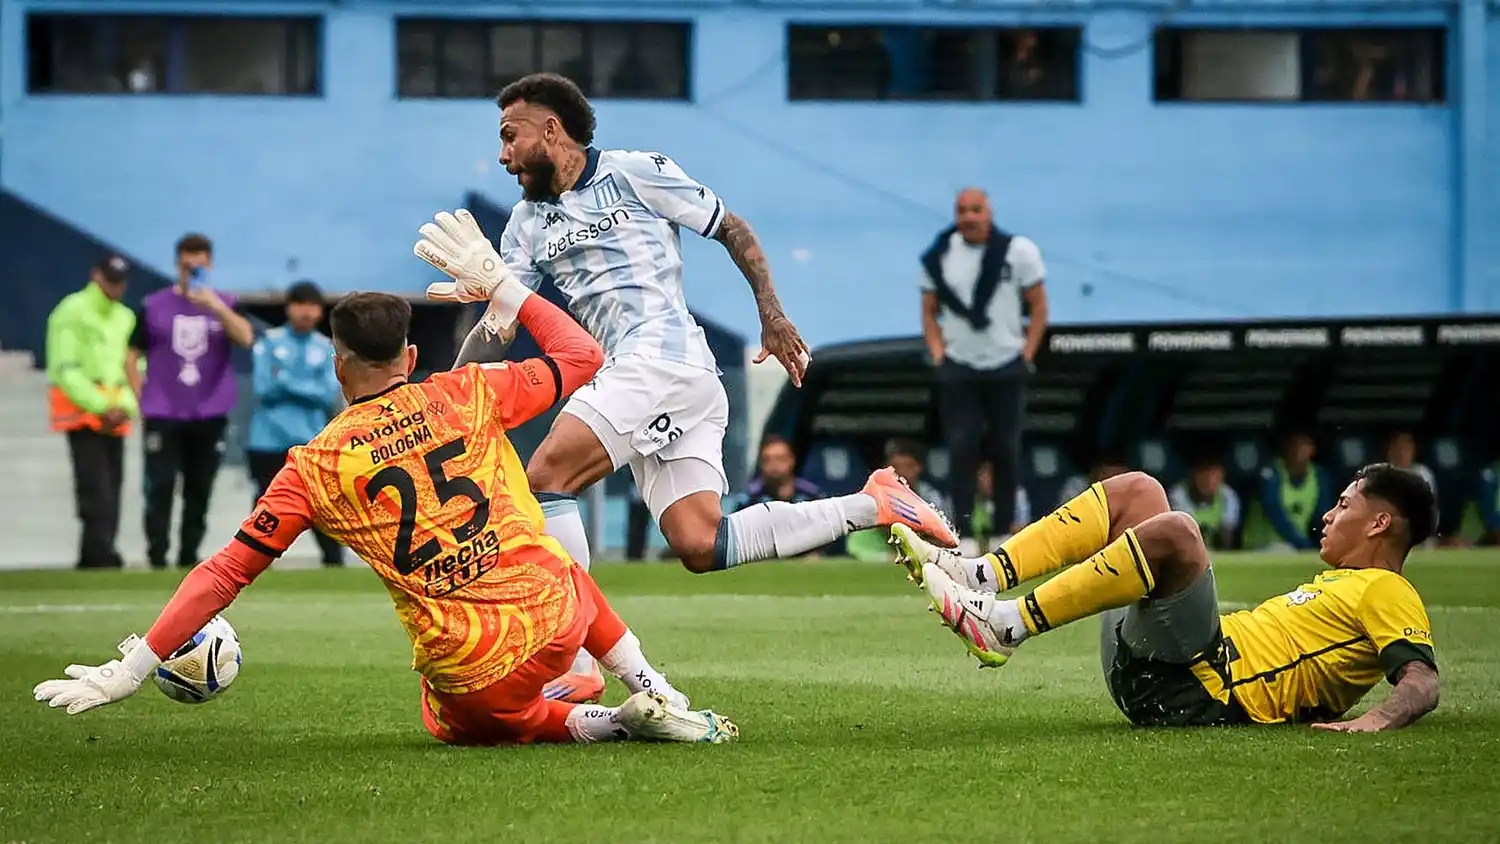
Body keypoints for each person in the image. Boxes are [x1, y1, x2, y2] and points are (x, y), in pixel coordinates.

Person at [33, 261, 737, 747]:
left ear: (338, 362)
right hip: (562, 624)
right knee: (557, 563)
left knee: (448, 721)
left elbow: (224, 573)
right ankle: (653, 686)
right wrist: (505, 287)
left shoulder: (313, 467)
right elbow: (583, 355)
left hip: (475, 672)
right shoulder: (468, 391)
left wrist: (130, 668)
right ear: (407, 354)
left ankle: (613, 724)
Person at [421, 72, 957, 702]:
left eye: (510, 137)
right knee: (700, 543)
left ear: (551, 129)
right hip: (654, 378)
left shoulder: (633, 171)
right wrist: (445, 394)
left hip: (664, 359)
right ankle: (875, 505)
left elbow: (732, 227)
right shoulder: (525, 224)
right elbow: (501, 322)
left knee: (546, 477)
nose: (503, 155)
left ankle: (571, 655)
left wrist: (771, 311)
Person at [892, 463, 1441, 732]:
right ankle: (982, 576)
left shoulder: (1388, 589)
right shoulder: (1345, 584)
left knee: (1179, 531)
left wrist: (1378, 721)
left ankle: (1005, 625)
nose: (1329, 514)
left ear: (1381, 523)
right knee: (1140, 491)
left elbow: (1422, 681)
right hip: (1170, 667)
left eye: (1344, 506)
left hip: (1202, 692)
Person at [921, 187, 1049, 555]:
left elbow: (1038, 306)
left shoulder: (1018, 251)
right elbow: (929, 308)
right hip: (960, 365)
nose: (969, 217)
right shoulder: (940, 254)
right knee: (961, 448)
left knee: (1006, 450)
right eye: (962, 210)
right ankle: (959, 533)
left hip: (1006, 364)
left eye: (976, 210)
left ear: (989, 212)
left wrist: (1027, 352)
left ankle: (1000, 533)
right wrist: (938, 353)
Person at [128, 233, 255, 569]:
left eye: (199, 263)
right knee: (161, 486)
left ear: (209, 264)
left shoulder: (224, 302)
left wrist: (213, 305)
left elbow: (245, 337)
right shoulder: (154, 304)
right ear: (178, 264)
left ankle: (188, 556)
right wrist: (141, 397)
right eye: (187, 263)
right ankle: (157, 555)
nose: (193, 268)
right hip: (163, 412)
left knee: (199, 488)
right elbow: (131, 354)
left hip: (209, 412)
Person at [46, 254, 139, 569]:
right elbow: (64, 367)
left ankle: (97, 553)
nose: (116, 287)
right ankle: (99, 554)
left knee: (112, 489)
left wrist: (125, 404)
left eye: (120, 281)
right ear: (96, 275)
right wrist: (102, 406)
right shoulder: (71, 311)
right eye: (110, 279)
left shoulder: (125, 317)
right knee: (95, 490)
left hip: (115, 416)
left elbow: (134, 365)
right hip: (83, 415)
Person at [246, 281, 344, 566]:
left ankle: (335, 565)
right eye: (300, 304)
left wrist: (285, 380)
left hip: (309, 442)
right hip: (267, 440)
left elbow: (327, 394)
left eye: (312, 305)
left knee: (322, 507)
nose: (306, 311)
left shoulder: (326, 347)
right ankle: (250, 565)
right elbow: (263, 388)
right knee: (265, 508)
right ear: (289, 308)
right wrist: (306, 386)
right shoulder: (269, 342)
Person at [1249, 431, 1331, 551]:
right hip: (1261, 546)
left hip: (1296, 547)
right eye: (1295, 444)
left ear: (1312, 449)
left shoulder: (1318, 476)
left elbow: (1324, 515)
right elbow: (1275, 513)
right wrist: (1305, 546)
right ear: (1286, 446)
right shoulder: (1271, 473)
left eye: (1305, 445)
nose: (1299, 450)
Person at [1168, 456, 1242, 550]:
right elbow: (1186, 533)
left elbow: (1227, 533)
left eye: (1214, 475)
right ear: (1194, 474)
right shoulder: (1178, 495)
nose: (1209, 480)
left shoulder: (1228, 496)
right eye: (1204, 474)